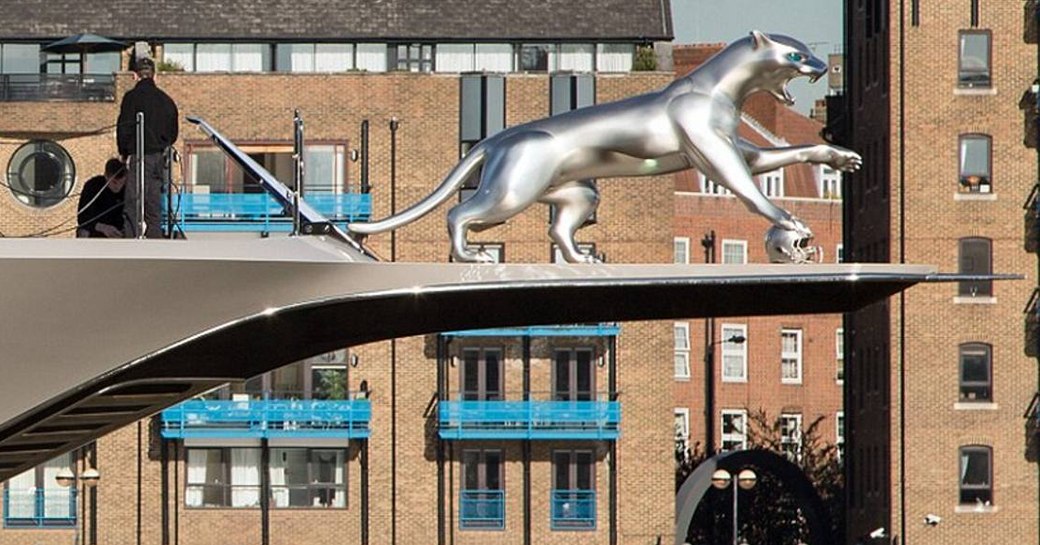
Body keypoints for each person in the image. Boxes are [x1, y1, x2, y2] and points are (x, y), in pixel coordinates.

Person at [117, 56, 178, 238]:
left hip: (139, 155)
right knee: (154, 202)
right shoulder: (165, 100)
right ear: (155, 76)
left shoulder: (131, 98)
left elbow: (124, 126)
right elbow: (172, 133)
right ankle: (155, 240)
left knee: (134, 202)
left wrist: (123, 151)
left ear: (135, 76)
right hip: (159, 157)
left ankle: (132, 239)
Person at [76, 158, 127, 238]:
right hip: (95, 229)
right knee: (84, 231)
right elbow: (83, 218)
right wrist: (102, 227)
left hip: (117, 231)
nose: (118, 186)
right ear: (106, 176)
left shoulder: (127, 190)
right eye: (114, 182)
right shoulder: (93, 186)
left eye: (122, 183)